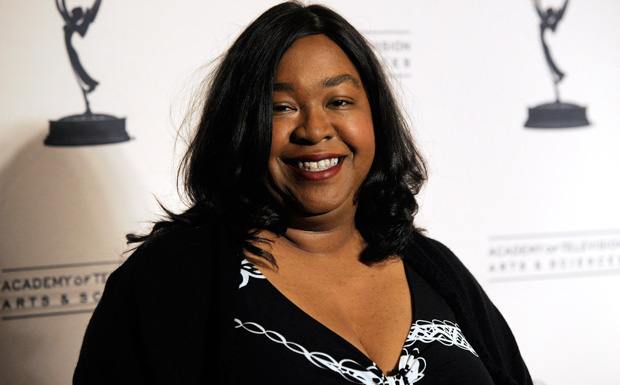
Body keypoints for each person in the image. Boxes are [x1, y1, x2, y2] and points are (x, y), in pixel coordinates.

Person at [73, 2, 533, 384]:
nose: (315, 130)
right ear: (240, 127)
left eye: (339, 102)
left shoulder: (435, 269)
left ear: (375, 119)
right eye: (282, 108)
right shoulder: (167, 282)